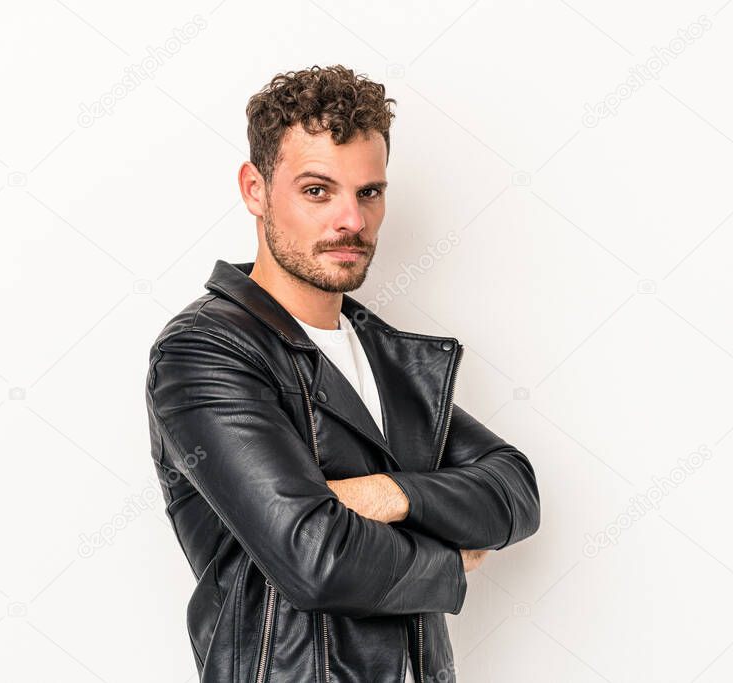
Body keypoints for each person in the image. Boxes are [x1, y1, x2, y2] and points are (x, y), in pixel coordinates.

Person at [145, 64, 541, 683]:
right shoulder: (206, 352)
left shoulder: (383, 357)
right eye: (316, 191)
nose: (351, 220)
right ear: (255, 188)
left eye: (369, 192)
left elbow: (513, 491)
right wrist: (445, 559)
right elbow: (316, 558)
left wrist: (389, 493)